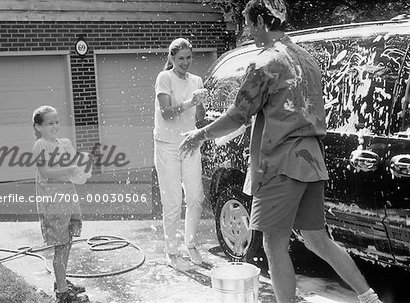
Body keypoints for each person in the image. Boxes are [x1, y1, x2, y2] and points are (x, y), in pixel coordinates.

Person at [179, 1, 383, 302]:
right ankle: (368, 297)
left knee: (274, 245)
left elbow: (238, 114)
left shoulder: (265, 62)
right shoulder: (308, 60)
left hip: (280, 164)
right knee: (317, 240)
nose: (248, 32)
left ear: (262, 21)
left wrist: (200, 134)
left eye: (249, 24)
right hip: (311, 162)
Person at [154, 37, 209, 270]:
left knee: (196, 197)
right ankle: (172, 251)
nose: (185, 62)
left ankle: (190, 243)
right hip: (166, 144)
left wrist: (203, 104)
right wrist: (190, 102)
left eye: (188, 58)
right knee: (173, 200)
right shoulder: (164, 78)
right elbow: (166, 113)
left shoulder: (196, 80)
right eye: (180, 58)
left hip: (190, 142)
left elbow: (198, 118)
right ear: (171, 58)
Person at [32, 105, 89, 303]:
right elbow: (46, 173)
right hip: (53, 202)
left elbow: (75, 164)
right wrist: (70, 170)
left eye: (57, 122)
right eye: (50, 123)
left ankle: (61, 281)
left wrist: (83, 165)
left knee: (68, 241)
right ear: (38, 127)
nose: (55, 125)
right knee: (61, 245)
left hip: (68, 199)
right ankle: (63, 294)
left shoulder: (64, 142)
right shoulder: (41, 145)